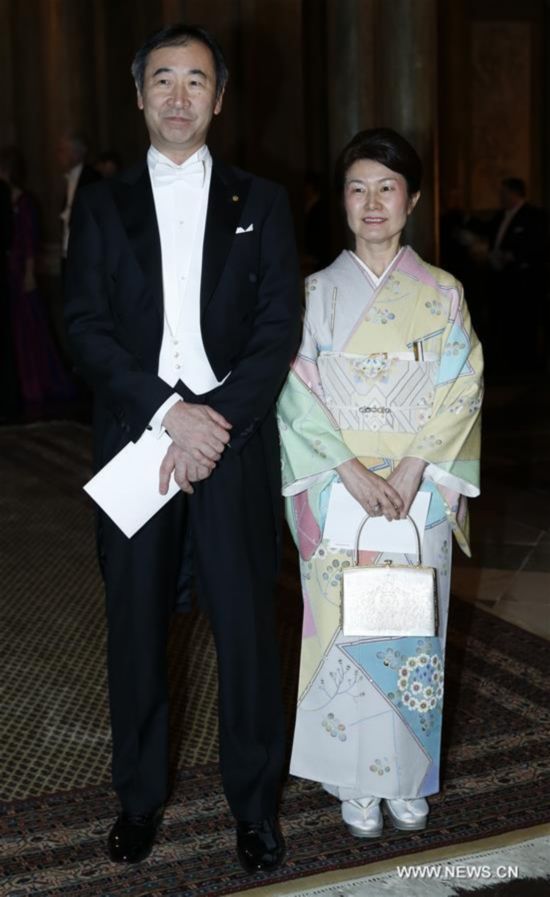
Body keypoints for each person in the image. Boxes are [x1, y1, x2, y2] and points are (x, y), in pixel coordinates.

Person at [64, 24, 300, 871]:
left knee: (245, 632)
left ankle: (254, 807)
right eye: (162, 78)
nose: (178, 95)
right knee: (135, 632)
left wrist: (214, 423)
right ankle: (137, 799)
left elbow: (277, 331)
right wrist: (172, 415)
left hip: (231, 445)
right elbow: (84, 329)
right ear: (139, 95)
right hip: (138, 440)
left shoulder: (262, 202)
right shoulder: (100, 204)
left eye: (195, 80)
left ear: (220, 97)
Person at [277, 129, 482, 838]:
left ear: (413, 199)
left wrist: (411, 466)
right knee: (343, 628)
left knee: (408, 630)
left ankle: (401, 774)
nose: (372, 202)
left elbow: (462, 388)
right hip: (341, 487)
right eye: (358, 187)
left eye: (387, 188)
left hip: (417, 485)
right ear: (341, 199)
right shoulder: (311, 293)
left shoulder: (443, 293)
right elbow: (295, 392)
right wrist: (351, 469)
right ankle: (352, 780)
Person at [0, 146, 74, 405]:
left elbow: (30, 242)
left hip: (22, 272)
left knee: (30, 329)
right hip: (10, 272)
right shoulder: (8, 200)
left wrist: (30, 273)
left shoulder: (26, 202)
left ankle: (37, 382)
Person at [58, 132, 100, 275]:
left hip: (85, 253)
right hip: (67, 251)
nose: (59, 156)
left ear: (76, 153)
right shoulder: (69, 178)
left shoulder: (92, 178)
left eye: (63, 150)